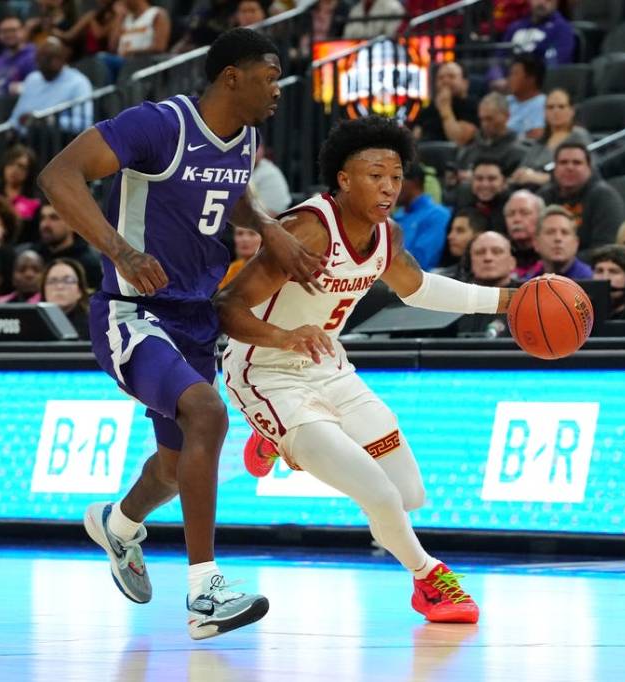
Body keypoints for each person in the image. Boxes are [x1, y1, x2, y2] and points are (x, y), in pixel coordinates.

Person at [36, 28, 326, 640]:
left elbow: (229, 192)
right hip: (131, 310)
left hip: (195, 316)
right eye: (270, 77)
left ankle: (117, 523)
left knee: (173, 469)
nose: (278, 88)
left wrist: (268, 226)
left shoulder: (245, 137)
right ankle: (204, 592)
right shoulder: (158, 124)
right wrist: (120, 248)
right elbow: (58, 176)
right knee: (207, 414)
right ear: (231, 77)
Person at [216, 116, 518, 625]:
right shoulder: (306, 229)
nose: (388, 187)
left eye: (396, 177)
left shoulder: (388, 235)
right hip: (265, 371)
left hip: (328, 367)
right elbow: (226, 307)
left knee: (407, 495)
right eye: (375, 174)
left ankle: (273, 441)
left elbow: (419, 288)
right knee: (376, 493)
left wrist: (508, 300)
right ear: (343, 179)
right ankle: (429, 580)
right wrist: (285, 337)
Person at [510, 87, 590, 188]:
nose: (555, 111)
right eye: (550, 107)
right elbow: (523, 167)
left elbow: (586, 174)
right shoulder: (542, 140)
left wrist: (538, 178)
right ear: (544, 112)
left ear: (571, 111)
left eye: (561, 107)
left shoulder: (579, 135)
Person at [392, 163, 451, 270]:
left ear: (414, 182)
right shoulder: (398, 215)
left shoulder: (437, 215)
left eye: (395, 180)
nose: (389, 188)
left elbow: (420, 263)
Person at [41, 257, 90, 339]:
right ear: (43, 290)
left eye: (68, 280)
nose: (59, 286)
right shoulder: (34, 324)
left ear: (80, 290)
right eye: (52, 281)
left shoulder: (96, 325)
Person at [503, 189, 544, 281]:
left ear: (541, 217)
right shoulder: (499, 258)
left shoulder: (552, 259)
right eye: (511, 214)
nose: (516, 219)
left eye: (525, 213)